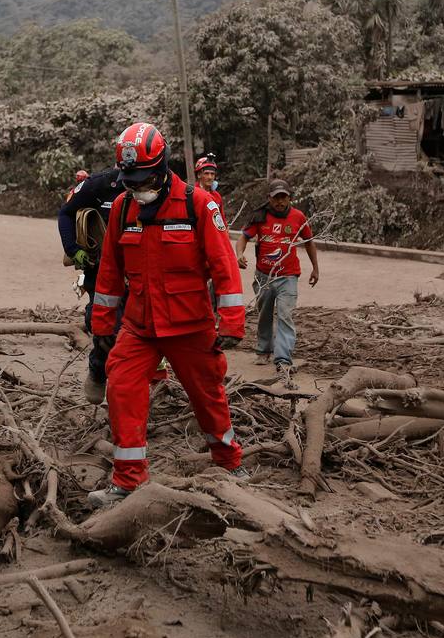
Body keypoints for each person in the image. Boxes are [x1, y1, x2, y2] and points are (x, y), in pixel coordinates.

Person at [87, 122, 248, 508]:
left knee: (207, 396)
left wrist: (231, 323)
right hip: (140, 327)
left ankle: (228, 462)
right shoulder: (124, 209)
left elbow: (225, 266)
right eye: (129, 179)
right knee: (121, 388)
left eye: (141, 178)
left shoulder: (198, 205)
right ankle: (127, 482)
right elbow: (109, 271)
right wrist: (102, 326)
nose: (134, 186)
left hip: (190, 326)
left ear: (162, 166)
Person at [236, 179, 320, 386]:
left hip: (288, 276)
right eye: (276, 198)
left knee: (285, 315)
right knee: (264, 313)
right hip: (264, 276)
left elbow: (309, 243)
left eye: (284, 197)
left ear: (290, 198)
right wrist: (239, 254)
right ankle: (264, 349)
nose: (280, 202)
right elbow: (243, 237)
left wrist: (316, 268)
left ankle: (283, 358)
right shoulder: (260, 216)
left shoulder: (299, 217)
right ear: (269, 199)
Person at [58, 164, 125, 404]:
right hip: (98, 269)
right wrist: (73, 250)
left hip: (138, 270)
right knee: (105, 324)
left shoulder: (160, 187)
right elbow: (66, 213)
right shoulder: (98, 184)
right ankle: (98, 369)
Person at [194, 153, 224, 221]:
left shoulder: (217, 196)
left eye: (212, 174)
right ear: (199, 175)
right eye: (206, 173)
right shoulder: (192, 194)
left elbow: (222, 220)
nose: (210, 177)